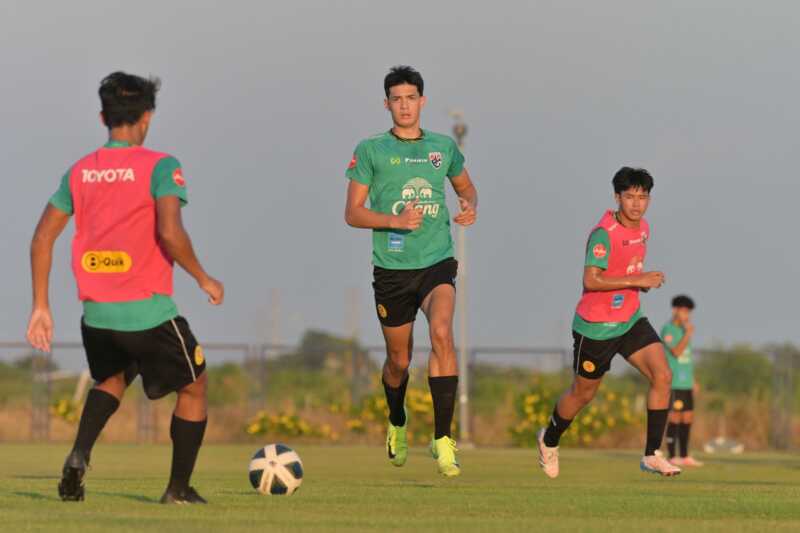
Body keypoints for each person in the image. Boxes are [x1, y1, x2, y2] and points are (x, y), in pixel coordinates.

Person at [26, 71, 224, 503]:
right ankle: (177, 489)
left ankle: (79, 454)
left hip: (96, 312)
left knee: (111, 379)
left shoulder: (80, 171)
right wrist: (204, 277)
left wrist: (41, 305)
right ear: (147, 117)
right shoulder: (161, 166)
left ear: (103, 116)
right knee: (195, 386)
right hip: (147, 311)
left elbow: (42, 237)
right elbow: (171, 233)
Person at [344, 66, 478, 477]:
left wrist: (470, 205)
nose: (404, 105)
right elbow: (353, 213)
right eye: (396, 99)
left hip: (437, 261)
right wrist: (393, 221)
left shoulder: (443, 147)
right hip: (392, 270)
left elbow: (466, 187)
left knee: (442, 335)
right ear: (387, 104)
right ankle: (397, 419)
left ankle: (442, 438)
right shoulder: (371, 150)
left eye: (411, 97)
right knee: (398, 361)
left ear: (422, 101)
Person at [536, 167, 680, 477]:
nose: (636, 204)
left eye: (643, 197)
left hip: (629, 320)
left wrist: (637, 284)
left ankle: (652, 454)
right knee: (583, 394)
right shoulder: (603, 233)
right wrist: (637, 278)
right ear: (617, 197)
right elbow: (591, 280)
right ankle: (549, 439)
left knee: (663, 374)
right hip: (596, 328)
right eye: (629, 197)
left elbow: (627, 271)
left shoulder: (644, 229)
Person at [662, 295, 703, 466]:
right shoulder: (668, 330)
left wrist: (693, 380)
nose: (687, 315)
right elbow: (676, 352)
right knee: (675, 418)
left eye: (689, 312)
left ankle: (685, 455)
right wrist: (687, 334)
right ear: (675, 310)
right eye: (684, 311)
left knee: (687, 418)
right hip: (674, 383)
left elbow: (686, 360)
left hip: (686, 383)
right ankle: (672, 456)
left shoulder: (685, 332)